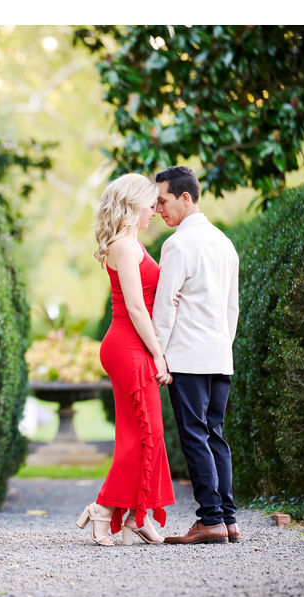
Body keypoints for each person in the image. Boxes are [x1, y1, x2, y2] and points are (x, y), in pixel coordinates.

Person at [76, 173, 175, 546]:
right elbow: (135, 307)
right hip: (128, 346)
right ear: (133, 204)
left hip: (133, 345)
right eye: (151, 203)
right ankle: (104, 509)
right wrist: (158, 354)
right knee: (140, 436)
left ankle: (137, 515)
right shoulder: (122, 245)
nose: (154, 210)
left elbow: (146, 296)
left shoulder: (132, 243)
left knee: (146, 434)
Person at [151, 166, 240, 545]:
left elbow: (164, 309)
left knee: (194, 436)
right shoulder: (225, 243)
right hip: (220, 356)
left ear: (185, 198)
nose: (157, 210)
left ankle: (209, 520)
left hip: (187, 358)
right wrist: (223, 345)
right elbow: (232, 307)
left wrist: (158, 353)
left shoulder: (177, 245)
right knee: (215, 435)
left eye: (162, 201)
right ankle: (229, 519)